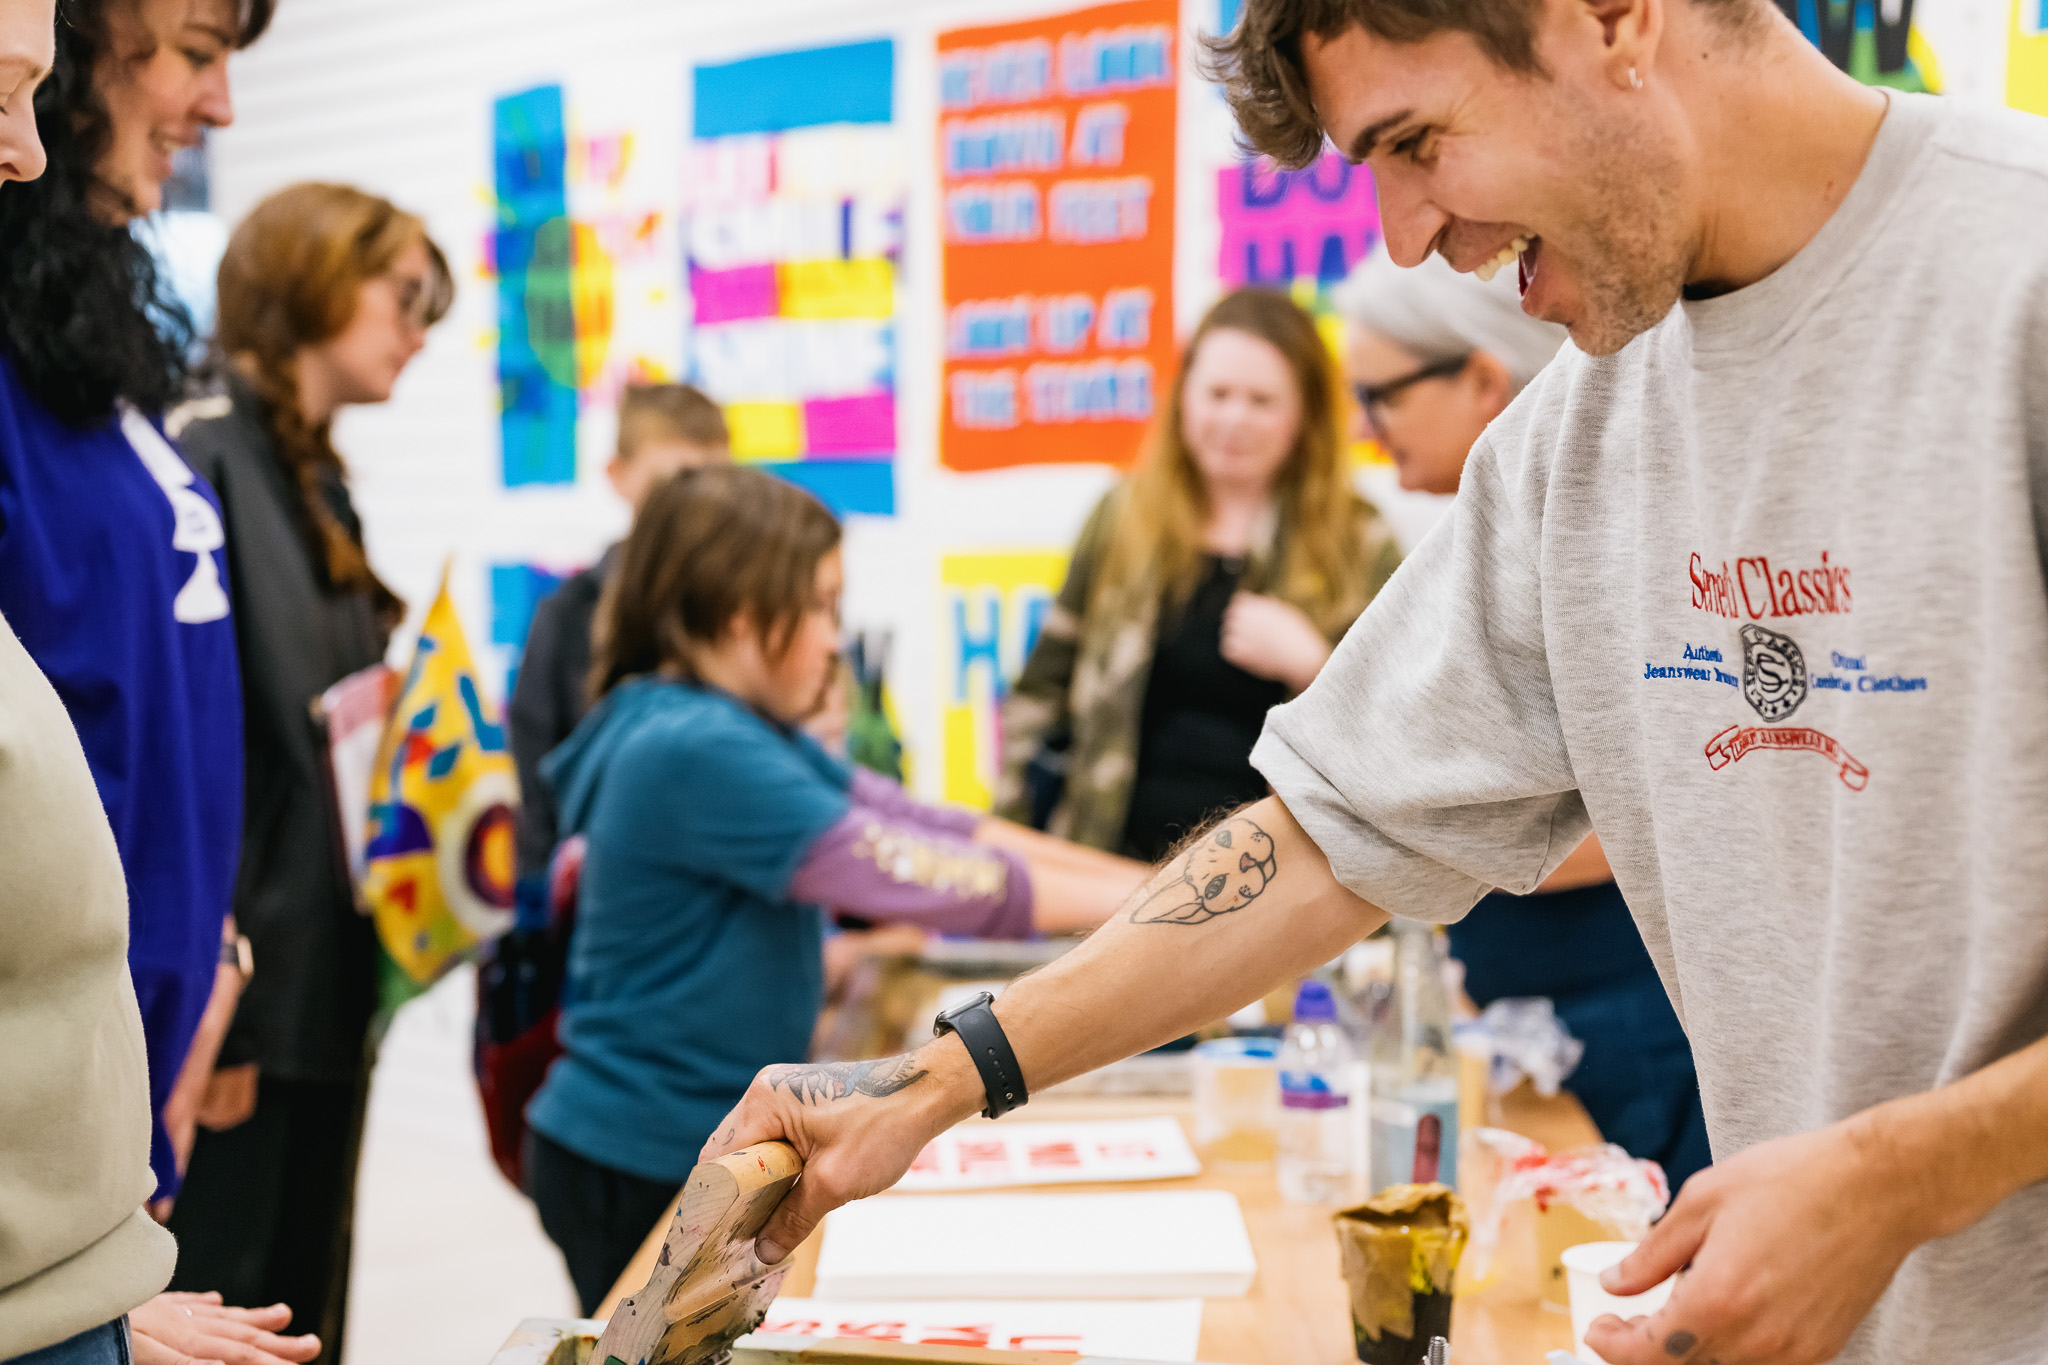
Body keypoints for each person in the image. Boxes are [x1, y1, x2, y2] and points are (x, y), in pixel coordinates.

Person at [703, 4, 2048, 1365]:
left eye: (1418, 143)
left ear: (1613, 19)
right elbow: (1320, 836)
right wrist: (935, 1082)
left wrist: (1898, 1178)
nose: (1408, 238)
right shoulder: (1574, 445)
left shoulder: (2020, 281)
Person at [522, 464, 1148, 1312]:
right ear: (744, 617)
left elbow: (940, 828)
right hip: (645, 1148)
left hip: (654, 1132)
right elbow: (935, 877)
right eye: (820, 606)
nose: (831, 638)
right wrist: (1168, 911)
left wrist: (1162, 887)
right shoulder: (695, 744)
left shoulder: (721, 722)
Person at [0, 3, 309, 1363]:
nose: (220, 107)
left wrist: (212, 968)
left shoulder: (78, 342)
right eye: (189, 51)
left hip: (135, 1107)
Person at [1335, 244, 1711, 1190]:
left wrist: (1438, 844)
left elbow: (1666, 804)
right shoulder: (1495, 554)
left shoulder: (1620, 552)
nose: (1366, 429)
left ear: (1480, 379)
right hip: (1535, 1009)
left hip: (1627, 1016)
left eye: (1381, 396)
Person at [164, 183, 454, 1359]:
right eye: (403, 298)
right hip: (251, 1002)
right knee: (237, 1306)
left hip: (328, 983)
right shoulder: (201, 460)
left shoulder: (311, 473)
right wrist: (215, 1026)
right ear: (316, 280)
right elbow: (192, 771)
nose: (418, 331)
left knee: (306, 1314)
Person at [996, 286, 1402, 861]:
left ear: (1303, 415)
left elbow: (1403, 740)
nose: (1234, 418)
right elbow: (1040, 695)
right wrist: (1012, 859)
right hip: (1111, 874)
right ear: (1183, 397)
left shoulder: (1362, 542)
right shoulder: (1123, 517)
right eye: (1217, 394)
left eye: (1261, 400)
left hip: (1283, 890)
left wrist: (1313, 664)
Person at [510, 382, 731, 899]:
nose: (692, 507)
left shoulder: (744, 616)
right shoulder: (567, 618)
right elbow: (534, 788)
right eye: (671, 482)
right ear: (619, 476)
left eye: (712, 482)